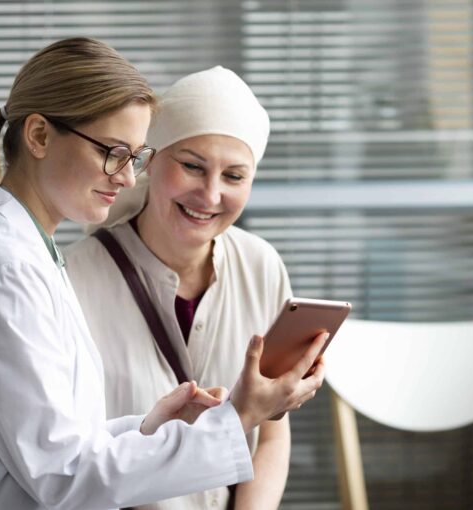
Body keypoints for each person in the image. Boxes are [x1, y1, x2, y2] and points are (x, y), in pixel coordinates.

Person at [0, 39, 326, 510]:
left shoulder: (27, 253)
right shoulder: (3, 269)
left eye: (134, 157)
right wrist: (239, 416)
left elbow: (61, 443)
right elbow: (64, 476)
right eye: (113, 152)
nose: (128, 178)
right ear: (39, 136)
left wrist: (149, 426)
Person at [64, 66, 298, 510]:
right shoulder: (75, 279)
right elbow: (69, 459)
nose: (210, 196)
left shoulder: (261, 265)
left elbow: (271, 433)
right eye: (192, 166)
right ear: (150, 160)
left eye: (234, 176)